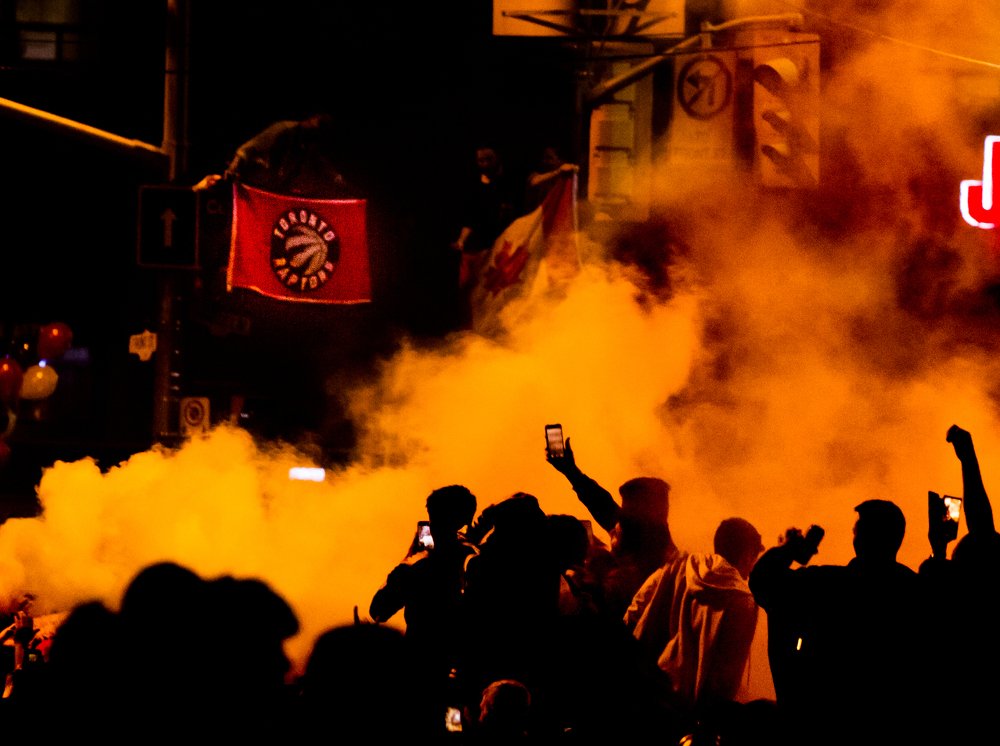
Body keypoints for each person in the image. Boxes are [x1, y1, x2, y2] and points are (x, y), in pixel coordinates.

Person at [748, 500, 928, 746]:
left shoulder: (829, 585)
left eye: (858, 529)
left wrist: (790, 550)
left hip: (822, 727)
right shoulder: (917, 594)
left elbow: (763, 581)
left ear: (859, 540)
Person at [624, 517, 763, 728]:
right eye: (754, 559)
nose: (751, 571)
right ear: (746, 556)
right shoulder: (742, 601)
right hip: (688, 716)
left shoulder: (676, 568)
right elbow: (725, 677)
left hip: (643, 694)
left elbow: (632, 615)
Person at [368, 484, 479, 731]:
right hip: (463, 664)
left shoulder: (417, 565)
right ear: (465, 519)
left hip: (421, 664)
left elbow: (378, 610)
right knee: (455, 724)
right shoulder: (475, 558)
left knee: (420, 725)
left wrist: (405, 563)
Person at [546, 437, 682, 619]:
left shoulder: (663, 572)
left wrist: (594, 581)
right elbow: (602, 504)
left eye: (627, 510)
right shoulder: (637, 538)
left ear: (647, 515)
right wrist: (571, 471)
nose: (620, 517)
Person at [524, 145, 579, 212]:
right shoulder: (538, 174)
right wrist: (558, 171)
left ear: (560, 160)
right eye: (544, 158)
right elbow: (534, 181)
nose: (545, 161)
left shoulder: (565, 178)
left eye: (549, 158)